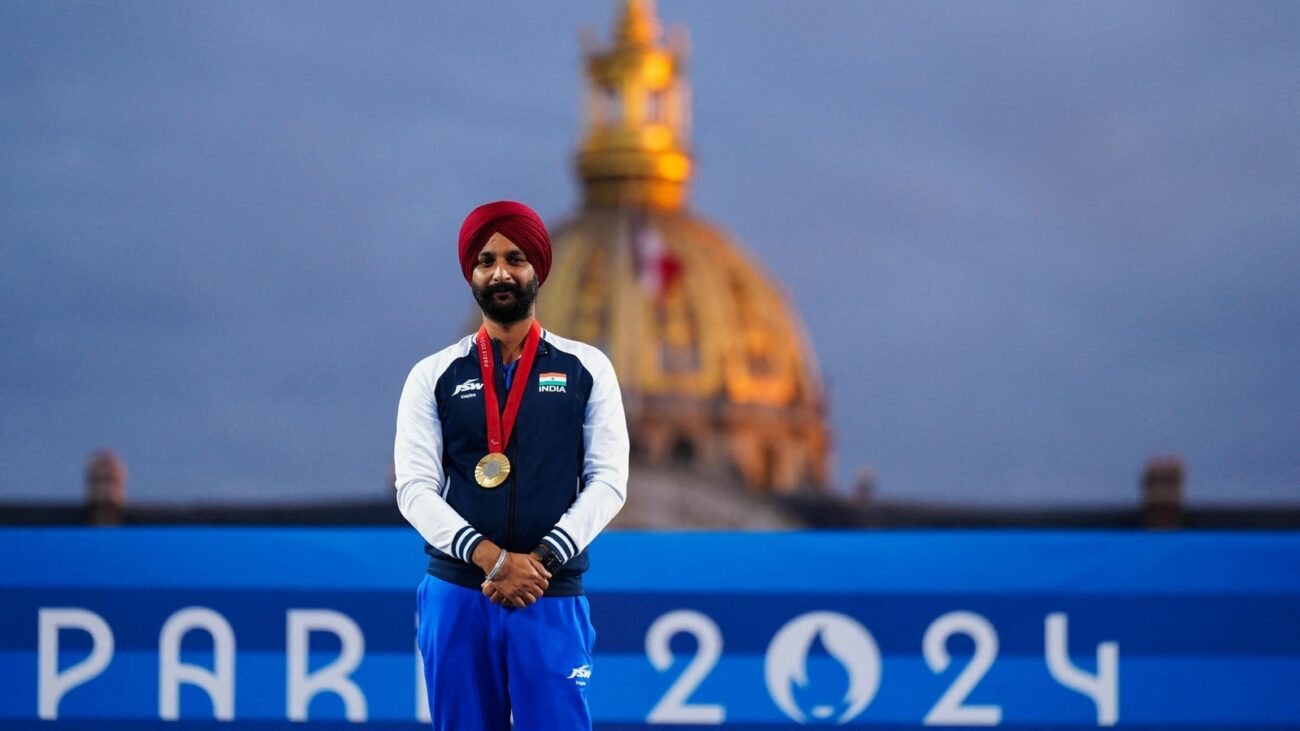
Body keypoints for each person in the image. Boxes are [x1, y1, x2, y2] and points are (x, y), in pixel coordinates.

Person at [394, 200, 629, 731]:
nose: (500, 271)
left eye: (515, 258)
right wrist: (492, 560)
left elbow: (609, 481)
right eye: (486, 260)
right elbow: (414, 489)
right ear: (471, 275)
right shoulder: (432, 375)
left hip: (548, 591)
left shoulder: (586, 367)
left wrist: (537, 562)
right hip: (458, 592)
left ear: (537, 270)